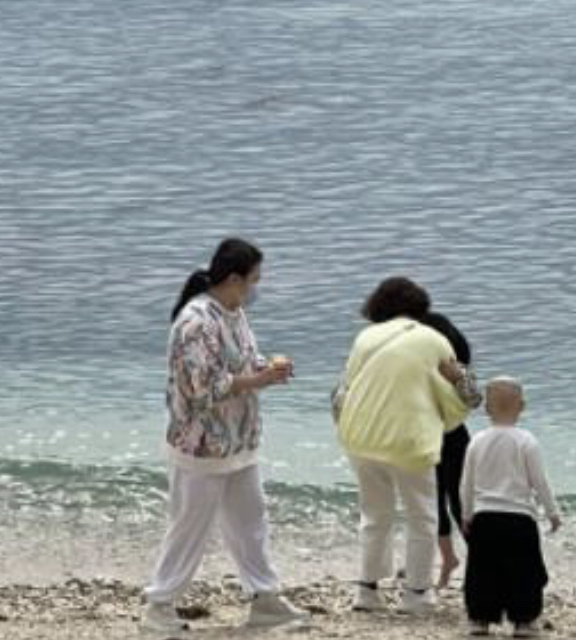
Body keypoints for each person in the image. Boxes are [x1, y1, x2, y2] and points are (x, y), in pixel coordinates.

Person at [142, 238, 308, 633]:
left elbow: (242, 363)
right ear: (233, 279)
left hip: (238, 441)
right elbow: (204, 389)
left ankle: (265, 597)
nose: (254, 290)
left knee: (250, 520)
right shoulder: (196, 321)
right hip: (201, 444)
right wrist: (260, 379)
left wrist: (269, 370)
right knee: (189, 526)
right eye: (253, 281)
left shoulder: (232, 313)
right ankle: (159, 604)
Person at [336, 277, 471, 614]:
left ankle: (366, 592)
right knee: (421, 516)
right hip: (409, 440)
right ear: (420, 306)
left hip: (361, 438)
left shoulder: (365, 338)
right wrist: (461, 379)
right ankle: (416, 594)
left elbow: (343, 392)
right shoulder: (434, 339)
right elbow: (468, 398)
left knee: (374, 515)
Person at [460, 377, 561, 638]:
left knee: (482, 570)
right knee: (524, 571)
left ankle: (480, 618)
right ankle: (524, 620)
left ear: (486, 409)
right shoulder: (526, 441)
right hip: (519, 519)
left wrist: (466, 514)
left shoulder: (477, 441)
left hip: (485, 517)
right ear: (522, 406)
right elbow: (539, 481)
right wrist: (552, 512)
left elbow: (466, 483)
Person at [419, 311, 483, 589]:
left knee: (460, 502)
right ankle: (448, 559)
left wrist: (458, 377)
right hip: (424, 438)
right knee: (433, 503)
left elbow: (475, 400)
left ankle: (479, 561)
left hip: (454, 437)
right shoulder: (416, 366)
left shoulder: (458, 368)